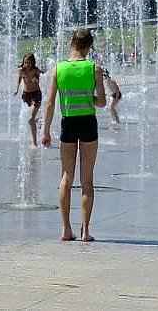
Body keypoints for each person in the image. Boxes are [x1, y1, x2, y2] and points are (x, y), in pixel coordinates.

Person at [42, 28, 106, 242]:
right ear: (89, 46)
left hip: (67, 123)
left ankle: (66, 229)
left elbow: (50, 103)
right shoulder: (94, 68)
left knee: (66, 177)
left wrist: (45, 130)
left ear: (72, 43)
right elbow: (102, 102)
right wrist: (89, 98)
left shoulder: (58, 69)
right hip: (88, 122)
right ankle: (86, 231)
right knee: (87, 180)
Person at [15, 53, 44, 145]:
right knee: (31, 118)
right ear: (23, 62)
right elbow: (19, 79)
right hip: (26, 95)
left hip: (36, 94)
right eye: (26, 62)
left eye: (29, 62)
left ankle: (34, 143)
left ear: (32, 63)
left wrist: (38, 78)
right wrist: (16, 89)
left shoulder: (35, 70)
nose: (27, 64)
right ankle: (38, 120)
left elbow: (44, 75)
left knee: (31, 119)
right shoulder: (21, 70)